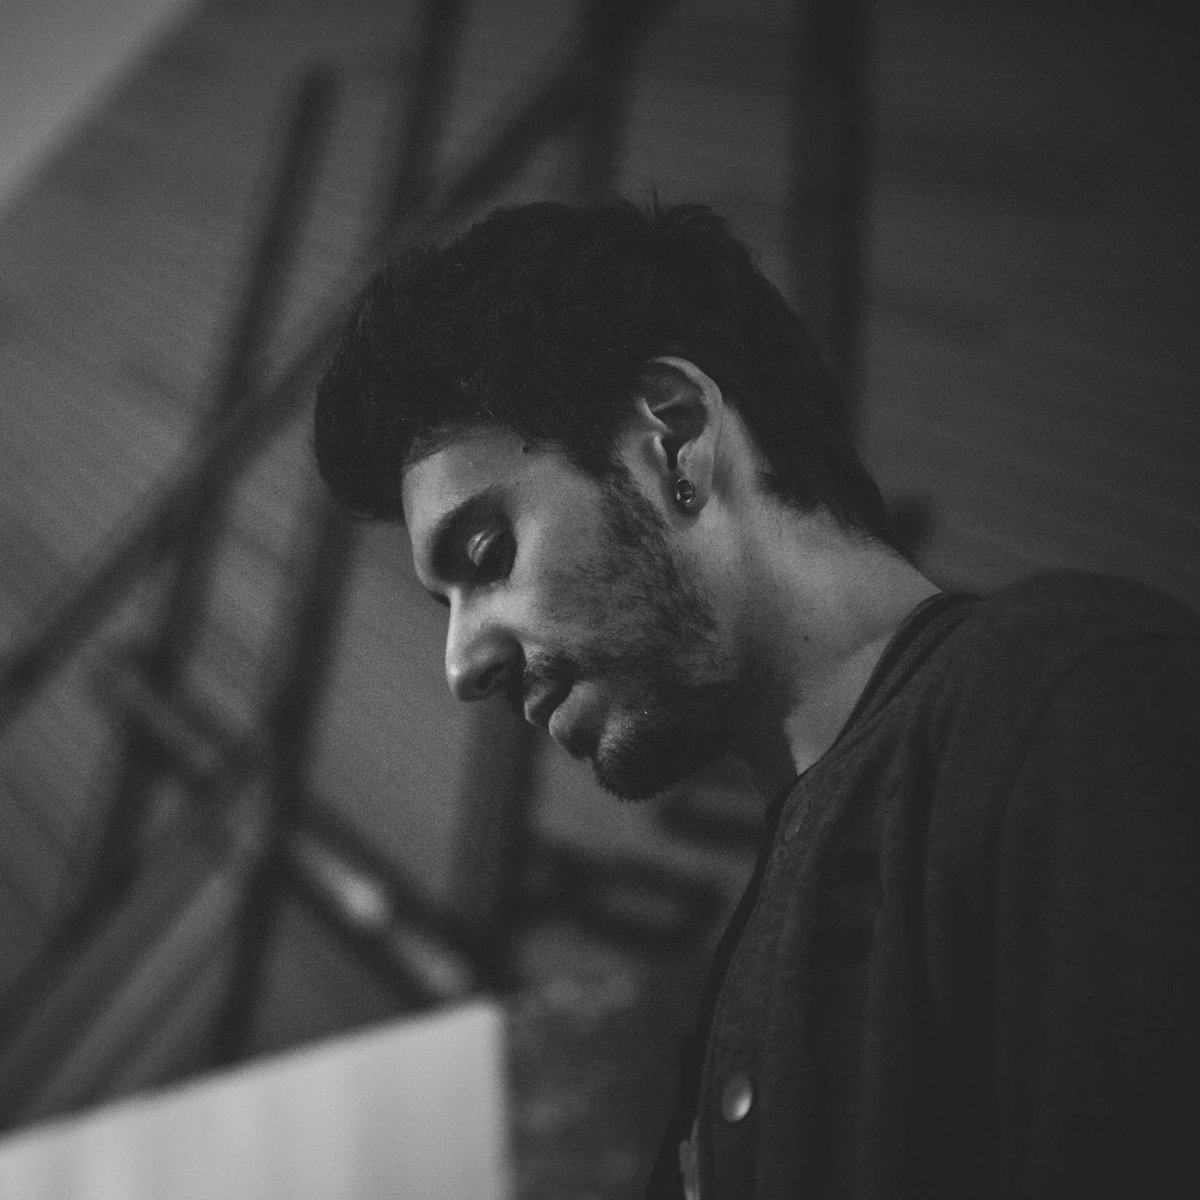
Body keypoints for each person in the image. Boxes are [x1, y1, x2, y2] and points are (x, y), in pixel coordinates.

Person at [312, 199, 1199, 1198]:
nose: (461, 663)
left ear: (674, 438)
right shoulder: (772, 930)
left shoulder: (1060, 699)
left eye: (487, 554)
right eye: (444, 605)